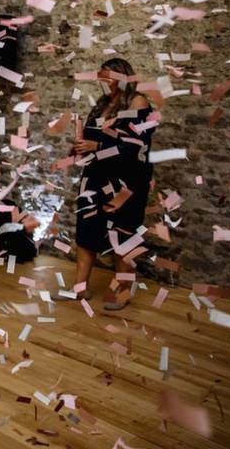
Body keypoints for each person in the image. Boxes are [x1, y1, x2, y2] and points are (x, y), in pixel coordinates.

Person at [64, 58, 156, 310]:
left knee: (122, 234)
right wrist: (81, 147)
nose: (103, 82)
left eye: (107, 77)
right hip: (96, 176)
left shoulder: (138, 101)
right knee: (87, 231)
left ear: (123, 76)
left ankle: (123, 291)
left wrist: (99, 146)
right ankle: (79, 289)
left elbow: (137, 146)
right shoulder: (103, 104)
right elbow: (93, 139)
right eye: (100, 77)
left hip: (126, 181)